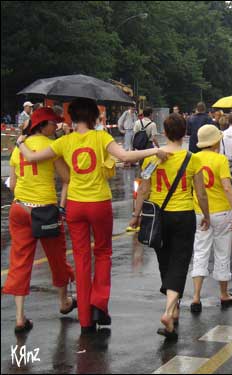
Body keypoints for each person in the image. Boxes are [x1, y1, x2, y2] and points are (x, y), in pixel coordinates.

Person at [16, 98, 166, 334]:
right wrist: (156, 149)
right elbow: (126, 157)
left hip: (75, 205)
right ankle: (99, 303)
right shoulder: (101, 138)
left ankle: (85, 318)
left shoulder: (65, 141)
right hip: (98, 203)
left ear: (72, 118)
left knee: (81, 257)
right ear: (95, 117)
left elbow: (33, 158)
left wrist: (21, 143)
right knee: (103, 253)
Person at [129, 113, 210, 340]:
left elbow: (143, 189)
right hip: (183, 215)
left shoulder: (153, 158)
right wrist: (206, 215)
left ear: (164, 133)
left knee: (165, 261)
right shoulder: (193, 159)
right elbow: (201, 193)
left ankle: (172, 313)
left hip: (158, 216)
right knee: (180, 262)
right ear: (185, 133)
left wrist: (136, 215)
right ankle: (168, 312)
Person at [5, 108, 76, 333]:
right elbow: (67, 179)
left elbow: (13, 185)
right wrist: (62, 207)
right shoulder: (51, 147)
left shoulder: (18, 149)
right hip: (44, 211)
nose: (55, 127)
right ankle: (64, 301)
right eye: (53, 124)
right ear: (43, 125)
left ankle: (19, 317)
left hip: (19, 209)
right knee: (57, 257)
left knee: (19, 261)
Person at [190, 125, 232, 313]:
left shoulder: (193, 158)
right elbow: (228, 187)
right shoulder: (220, 160)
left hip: (199, 212)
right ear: (215, 142)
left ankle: (196, 297)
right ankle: (224, 294)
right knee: (222, 253)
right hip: (221, 212)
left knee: (200, 252)